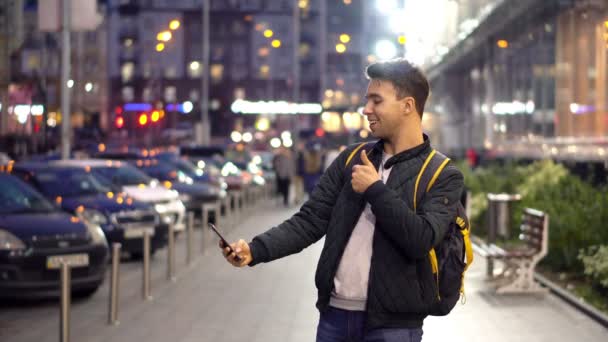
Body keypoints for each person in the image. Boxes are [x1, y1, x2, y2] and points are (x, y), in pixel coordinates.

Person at [220, 58, 464, 342]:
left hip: (394, 326)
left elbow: (420, 239)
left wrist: (375, 189)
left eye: (376, 101)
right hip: (335, 317)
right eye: (367, 100)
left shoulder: (442, 174)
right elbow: (310, 220)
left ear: (407, 106)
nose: (366, 110)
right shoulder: (350, 159)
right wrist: (255, 250)